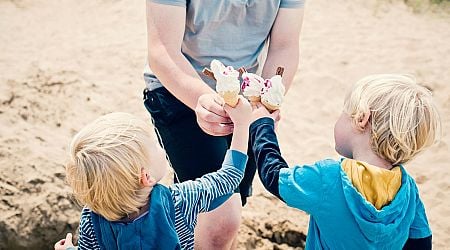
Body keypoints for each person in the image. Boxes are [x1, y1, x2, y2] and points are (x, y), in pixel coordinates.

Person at [144, 1, 305, 248]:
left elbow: (284, 47)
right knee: (218, 215)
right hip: (178, 89)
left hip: (246, 96)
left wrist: (266, 100)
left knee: (233, 202)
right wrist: (203, 101)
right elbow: (162, 51)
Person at [249, 74, 440, 249]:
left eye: (343, 113)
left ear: (361, 119)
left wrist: (262, 126)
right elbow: (421, 243)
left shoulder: (329, 177)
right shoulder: (408, 190)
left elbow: (274, 177)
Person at [54, 99, 252, 250]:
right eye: (155, 145)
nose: (160, 147)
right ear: (146, 176)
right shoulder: (178, 200)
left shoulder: (92, 217)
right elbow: (229, 177)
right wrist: (242, 125)